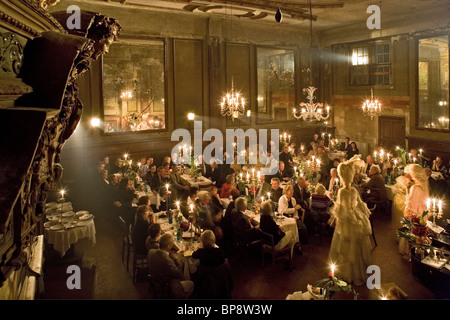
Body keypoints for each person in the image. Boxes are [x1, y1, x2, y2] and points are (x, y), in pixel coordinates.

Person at [328, 156, 373, 286]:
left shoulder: (342, 191)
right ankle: (357, 271)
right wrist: (362, 215)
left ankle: (346, 272)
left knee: (344, 247)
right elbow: (359, 204)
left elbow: (340, 208)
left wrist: (334, 218)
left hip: (346, 221)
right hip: (355, 218)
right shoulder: (354, 190)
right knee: (356, 248)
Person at [147, 233, 194, 299]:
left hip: (156, 281)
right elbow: (179, 274)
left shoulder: (151, 251)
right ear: (169, 246)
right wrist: (176, 259)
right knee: (191, 284)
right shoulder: (167, 261)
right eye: (172, 242)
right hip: (167, 286)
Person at [399, 164, 429, 259]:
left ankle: (409, 253)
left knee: (412, 233)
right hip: (422, 214)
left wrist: (407, 190)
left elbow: (410, 202)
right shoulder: (423, 187)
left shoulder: (415, 188)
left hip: (414, 213)